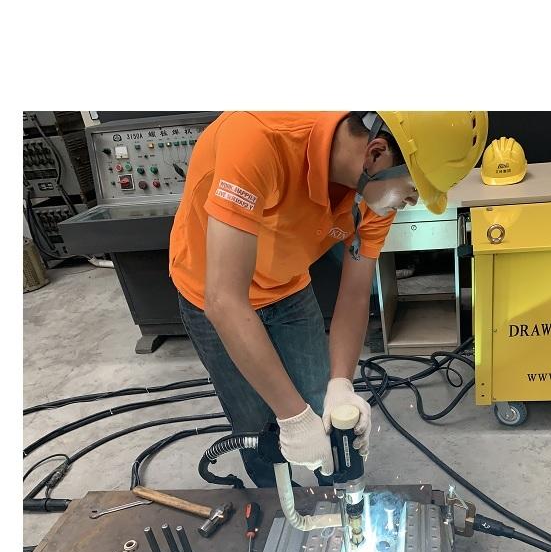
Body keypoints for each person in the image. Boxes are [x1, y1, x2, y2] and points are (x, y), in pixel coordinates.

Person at [168, 111, 487, 487]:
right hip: (210, 293)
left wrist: (341, 385)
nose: (413, 201)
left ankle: (337, 505)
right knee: (259, 426)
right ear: (375, 153)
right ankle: (277, 504)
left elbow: (354, 295)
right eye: (415, 187)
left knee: (325, 408)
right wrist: (292, 416)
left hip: (288, 287)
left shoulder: (374, 191)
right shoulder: (257, 139)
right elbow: (225, 301)